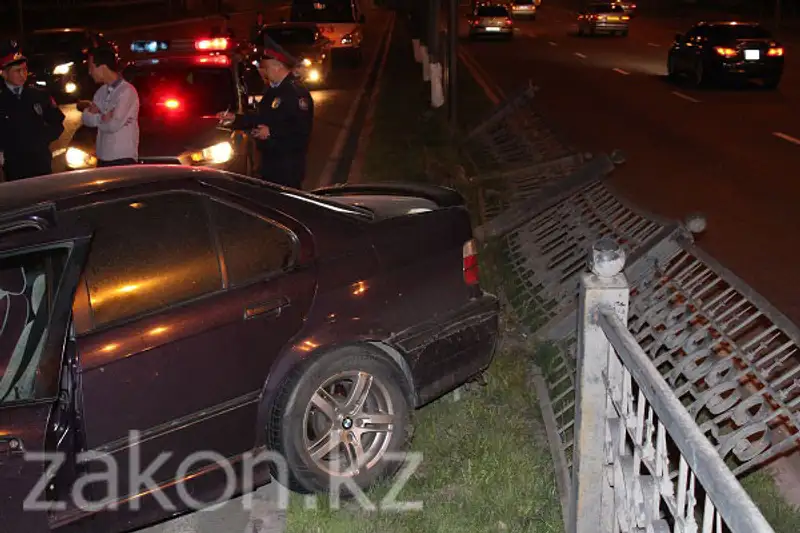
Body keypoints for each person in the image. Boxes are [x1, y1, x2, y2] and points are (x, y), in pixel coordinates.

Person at [218, 44, 314, 189]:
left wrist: (272, 132)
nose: (262, 72)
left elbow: (301, 128)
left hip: (287, 166)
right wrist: (235, 119)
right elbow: (262, 118)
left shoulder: (295, 93)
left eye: (265, 68)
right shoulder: (273, 91)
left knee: (286, 207)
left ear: (277, 67)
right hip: (271, 162)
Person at [0, 39, 65, 181]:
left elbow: (57, 122)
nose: (23, 74)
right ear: (4, 73)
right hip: (15, 166)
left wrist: (41, 140)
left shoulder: (40, 95)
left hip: (40, 163)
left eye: (25, 69)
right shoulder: (2, 100)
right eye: (17, 71)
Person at [79, 45, 139, 167]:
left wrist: (96, 115)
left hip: (122, 157)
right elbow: (86, 119)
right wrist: (102, 117)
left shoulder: (126, 91)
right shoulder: (101, 91)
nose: (90, 72)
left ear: (102, 67)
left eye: (91, 67)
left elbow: (113, 125)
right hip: (102, 156)